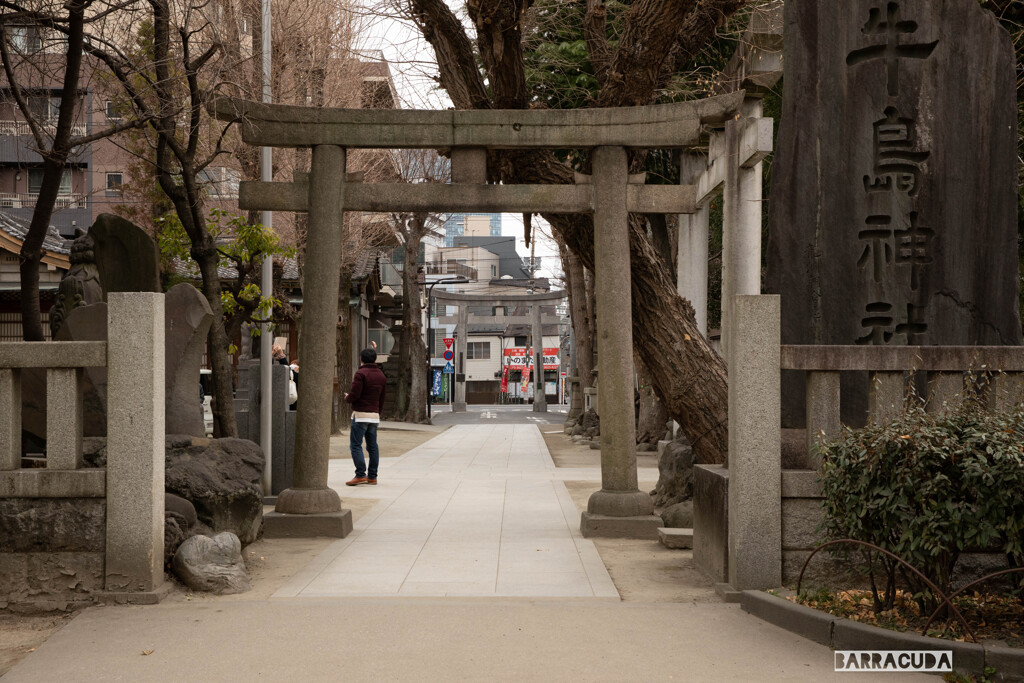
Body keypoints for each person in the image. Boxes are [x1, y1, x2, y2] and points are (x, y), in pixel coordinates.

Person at [344, 347, 386, 486]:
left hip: (361, 414)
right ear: (375, 359)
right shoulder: (381, 375)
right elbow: (382, 397)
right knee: (372, 446)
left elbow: (355, 394)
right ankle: (372, 476)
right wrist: (377, 412)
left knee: (356, 445)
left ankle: (360, 474)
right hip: (374, 415)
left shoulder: (360, 374)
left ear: (361, 359)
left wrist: (347, 398)